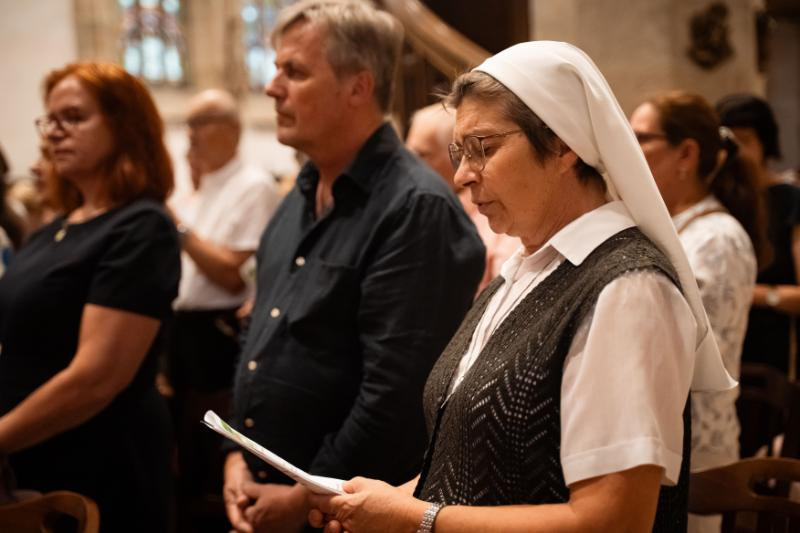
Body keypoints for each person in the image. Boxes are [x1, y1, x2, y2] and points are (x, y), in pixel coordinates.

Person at [307, 40, 735, 533]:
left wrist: (415, 519)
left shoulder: (628, 289)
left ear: (562, 143)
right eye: (459, 152)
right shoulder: (524, 270)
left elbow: (614, 519)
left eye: (483, 148)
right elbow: (469, 465)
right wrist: (375, 504)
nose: (462, 175)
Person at [223, 2, 485, 532]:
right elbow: (261, 332)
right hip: (265, 491)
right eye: (276, 70)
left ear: (358, 87)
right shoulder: (299, 195)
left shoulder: (415, 208)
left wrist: (305, 497)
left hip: (344, 513)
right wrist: (235, 451)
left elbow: (395, 395)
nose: (272, 88)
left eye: (295, 72)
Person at [0, 62, 180, 533]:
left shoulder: (141, 227)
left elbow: (96, 378)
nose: (54, 132)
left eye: (74, 117)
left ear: (125, 127)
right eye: (50, 119)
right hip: (32, 453)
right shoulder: (55, 230)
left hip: (98, 461)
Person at [631, 91, 769, 533]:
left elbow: (684, 351)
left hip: (697, 457)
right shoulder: (678, 227)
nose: (629, 150)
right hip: (662, 444)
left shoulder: (717, 238)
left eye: (641, 138)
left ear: (686, 154)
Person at [167, 88, 281, 531]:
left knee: (213, 444)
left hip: (220, 334)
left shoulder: (252, 185)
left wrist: (177, 228)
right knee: (187, 451)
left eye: (200, 123)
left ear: (231, 130)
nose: (190, 134)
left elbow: (231, 275)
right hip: (185, 332)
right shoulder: (202, 189)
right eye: (188, 123)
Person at [716, 94, 800, 380]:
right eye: (729, 142)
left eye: (745, 141)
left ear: (766, 144)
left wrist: (752, 294)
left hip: (770, 360)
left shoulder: (789, 199)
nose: (735, 152)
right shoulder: (721, 200)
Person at [407, 104, 518, 293]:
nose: (411, 166)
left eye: (421, 155)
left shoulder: (505, 212)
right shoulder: (419, 207)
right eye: (407, 155)